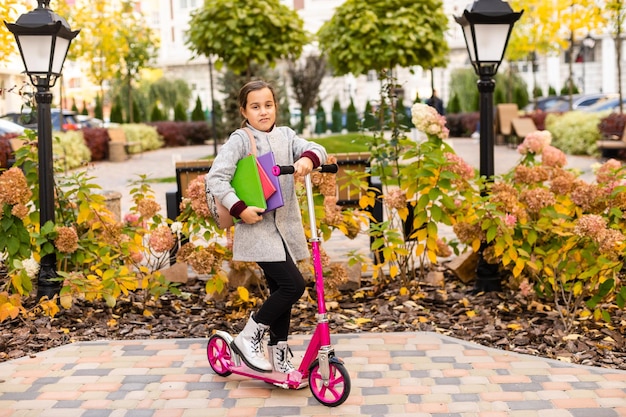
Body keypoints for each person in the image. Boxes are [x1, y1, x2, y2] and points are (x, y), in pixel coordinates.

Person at [205, 80, 327, 373]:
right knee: (292, 285)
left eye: (268, 105)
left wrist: (309, 160)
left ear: (276, 107)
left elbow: (314, 148)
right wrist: (239, 208)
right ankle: (250, 336)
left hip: (284, 228)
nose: (263, 112)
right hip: (258, 227)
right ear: (243, 110)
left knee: (278, 289)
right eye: (255, 106)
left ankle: (278, 352)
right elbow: (216, 177)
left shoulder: (286, 136)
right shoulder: (241, 139)